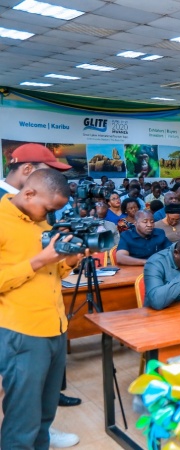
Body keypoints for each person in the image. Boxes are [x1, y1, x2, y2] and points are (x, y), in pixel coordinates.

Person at [0, 169, 84, 450]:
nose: (50, 216)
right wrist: (39, 260)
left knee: (46, 412)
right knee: (22, 419)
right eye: (49, 209)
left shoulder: (41, 224)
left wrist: (69, 260)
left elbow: (53, 272)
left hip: (56, 326)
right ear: (29, 193)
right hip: (22, 331)